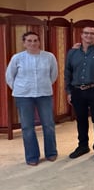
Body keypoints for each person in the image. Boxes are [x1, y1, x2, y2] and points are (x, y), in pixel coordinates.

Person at [5, 31, 58, 166]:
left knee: (48, 125)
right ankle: (32, 156)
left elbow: (53, 75)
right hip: (23, 96)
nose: (33, 43)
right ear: (24, 43)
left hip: (44, 94)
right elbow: (9, 76)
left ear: (39, 42)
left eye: (35, 40)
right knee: (27, 127)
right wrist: (20, 88)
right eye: (29, 41)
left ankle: (51, 152)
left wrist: (44, 84)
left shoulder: (49, 57)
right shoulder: (17, 58)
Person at [65, 26, 94, 162]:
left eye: (92, 34)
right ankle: (83, 146)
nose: (89, 36)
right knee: (81, 120)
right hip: (77, 90)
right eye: (86, 33)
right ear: (81, 35)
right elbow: (68, 72)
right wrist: (68, 91)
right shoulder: (72, 53)